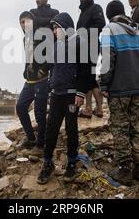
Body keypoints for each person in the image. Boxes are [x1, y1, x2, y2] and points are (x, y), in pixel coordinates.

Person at [37, 12, 90, 184]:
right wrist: (41, 69)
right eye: (53, 28)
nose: (54, 32)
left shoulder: (79, 44)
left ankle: (72, 163)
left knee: (71, 128)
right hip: (56, 94)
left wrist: (81, 93)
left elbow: (85, 70)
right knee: (51, 128)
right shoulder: (57, 45)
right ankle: (47, 163)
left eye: (56, 28)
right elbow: (50, 63)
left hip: (71, 96)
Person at [99, 0, 139, 186]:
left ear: (108, 15)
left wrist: (104, 84)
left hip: (120, 88)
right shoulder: (136, 29)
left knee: (120, 128)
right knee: (136, 126)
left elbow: (107, 60)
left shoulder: (109, 29)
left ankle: (125, 170)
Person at [15, 0, 59, 151]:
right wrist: (26, 71)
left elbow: (52, 55)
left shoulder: (42, 35)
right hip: (29, 81)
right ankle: (31, 137)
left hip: (41, 80)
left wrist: (44, 70)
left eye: (25, 22)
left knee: (40, 114)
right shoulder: (24, 38)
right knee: (20, 107)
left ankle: (41, 144)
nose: (23, 25)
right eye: (20, 22)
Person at [76, 0, 106, 118]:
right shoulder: (82, 12)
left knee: (89, 77)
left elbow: (101, 24)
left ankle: (92, 109)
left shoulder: (95, 8)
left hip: (92, 46)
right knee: (89, 77)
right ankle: (94, 109)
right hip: (83, 47)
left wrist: (84, 33)